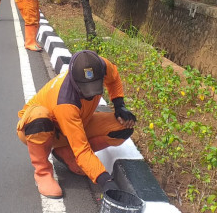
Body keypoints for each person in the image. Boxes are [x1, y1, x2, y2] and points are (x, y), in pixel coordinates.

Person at [16, 50, 137, 198]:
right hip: (41, 129)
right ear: (74, 81)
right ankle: (43, 173)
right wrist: (105, 180)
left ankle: (66, 154)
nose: (91, 94)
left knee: (122, 127)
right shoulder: (65, 102)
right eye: (85, 89)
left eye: (95, 86)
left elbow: (114, 77)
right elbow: (82, 149)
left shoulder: (101, 65)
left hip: (79, 122)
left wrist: (119, 104)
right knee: (39, 117)